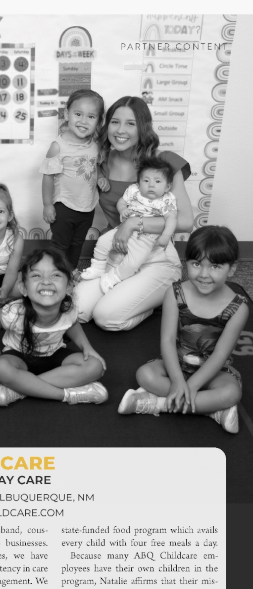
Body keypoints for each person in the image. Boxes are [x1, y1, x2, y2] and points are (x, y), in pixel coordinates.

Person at [75, 95, 193, 331]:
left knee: (105, 317)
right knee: (75, 310)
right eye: (114, 122)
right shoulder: (100, 160)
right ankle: (130, 293)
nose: (120, 130)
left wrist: (132, 224)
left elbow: (185, 221)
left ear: (143, 128)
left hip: (155, 256)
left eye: (130, 123)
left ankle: (160, 298)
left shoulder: (164, 164)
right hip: (116, 252)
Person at [118, 226, 248, 433]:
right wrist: (178, 380)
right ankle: (212, 410)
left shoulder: (238, 307)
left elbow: (221, 354)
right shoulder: (175, 293)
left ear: (231, 269)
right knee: (145, 374)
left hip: (214, 372)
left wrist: (193, 385)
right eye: (197, 264)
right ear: (185, 262)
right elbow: (167, 340)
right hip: (175, 366)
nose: (204, 274)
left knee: (231, 393)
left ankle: (156, 404)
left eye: (215, 267)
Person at [0, 244, 108, 407]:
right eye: (36, 276)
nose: (46, 282)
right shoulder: (13, 314)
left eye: (56, 275)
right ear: (23, 287)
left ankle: (20, 388)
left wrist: (87, 347)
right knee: (0, 368)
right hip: (19, 357)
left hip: (54, 355)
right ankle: (64, 395)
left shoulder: (69, 309)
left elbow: (72, 323)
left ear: (69, 286)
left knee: (95, 366)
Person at [81, 155, 177, 285]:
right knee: (103, 241)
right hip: (123, 229)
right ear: (139, 182)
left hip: (146, 237)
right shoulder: (134, 190)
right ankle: (98, 267)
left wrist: (166, 236)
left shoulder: (166, 199)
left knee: (133, 262)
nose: (151, 185)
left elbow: (171, 218)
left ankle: (114, 278)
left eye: (158, 181)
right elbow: (122, 201)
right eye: (146, 180)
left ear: (167, 187)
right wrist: (122, 209)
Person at [40, 89, 105, 268]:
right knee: (60, 245)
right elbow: (48, 176)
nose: (83, 121)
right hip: (64, 206)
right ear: (67, 114)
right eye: (78, 114)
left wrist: (100, 177)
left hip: (87, 206)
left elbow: (94, 166)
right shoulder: (58, 147)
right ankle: (55, 274)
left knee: (77, 243)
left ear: (99, 121)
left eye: (91, 117)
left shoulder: (95, 145)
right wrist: (47, 204)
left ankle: (72, 271)